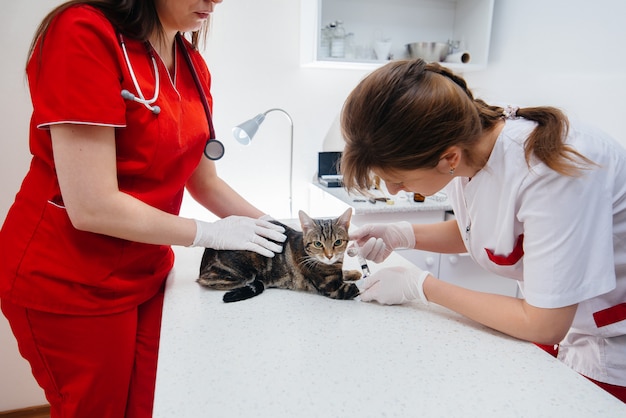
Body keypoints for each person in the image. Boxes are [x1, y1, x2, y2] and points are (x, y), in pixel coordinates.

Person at [0, 1, 287, 416]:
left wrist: (280, 230)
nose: (214, 1)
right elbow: (92, 206)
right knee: (98, 409)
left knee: (151, 405)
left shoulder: (191, 64)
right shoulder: (82, 33)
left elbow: (204, 182)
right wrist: (207, 233)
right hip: (68, 276)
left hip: (147, 272)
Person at [342, 58, 626, 403]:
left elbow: (543, 323)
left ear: (448, 158)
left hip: (610, 349)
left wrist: (421, 287)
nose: (392, 191)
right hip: (566, 334)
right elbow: (486, 230)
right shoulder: (467, 148)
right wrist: (404, 234)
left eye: (399, 179)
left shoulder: (552, 174)